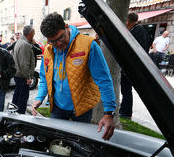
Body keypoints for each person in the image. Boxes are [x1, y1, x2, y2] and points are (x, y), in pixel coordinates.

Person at [31, 13, 116, 141]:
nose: (58, 44)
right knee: (56, 141)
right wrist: (39, 97)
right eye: (53, 41)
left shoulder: (88, 45)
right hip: (58, 108)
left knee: (79, 142)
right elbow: (44, 78)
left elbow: (104, 80)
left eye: (60, 38)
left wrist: (109, 113)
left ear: (66, 27)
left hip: (82, 109)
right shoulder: (48, 50)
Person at [119, 12, 151, 118]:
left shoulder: (135, 32)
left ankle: (126, 112)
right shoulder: (142, 31)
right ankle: (125, 110)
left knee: (126, 90)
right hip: (135, 65)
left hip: (131, 66)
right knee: (127, 90)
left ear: (128, 21)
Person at [12, 25, 36, 114]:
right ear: (30, 33)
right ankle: (20, 119)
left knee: (17, 98)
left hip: (18, 75)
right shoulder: (24, 44)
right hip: (22, 77)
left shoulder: (20, 42)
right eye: (33, 32)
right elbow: (24, 63)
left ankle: (13, 115)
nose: (34, 34)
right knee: (22, 100)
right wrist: (28, 77)